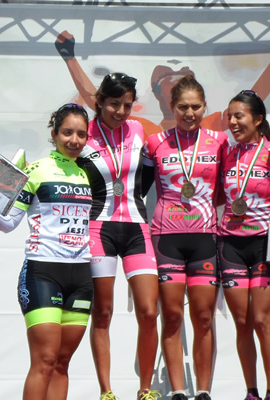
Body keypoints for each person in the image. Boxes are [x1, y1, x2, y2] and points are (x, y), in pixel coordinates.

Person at [0, 103, 93, 400]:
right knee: (45, 360)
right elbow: (9, 223)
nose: (74, 140)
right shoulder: (35, 171)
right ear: (54, 134)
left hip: (81, 277)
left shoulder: (88, 173)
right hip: (43, 273)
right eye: (67, 133)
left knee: (62, 364)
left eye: (81, 134)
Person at [74, 73, 161, 400]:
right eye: (114, 104)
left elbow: (147, 175)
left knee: (149, 311)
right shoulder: (85, 134)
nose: (121, 111)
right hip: (99, 228)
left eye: (127, 105)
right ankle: (106, 391)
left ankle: (145, 390)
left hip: (137, 227)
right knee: (103, 312)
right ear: (99, 102)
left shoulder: (137, 129)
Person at [142, 75, 228, 400]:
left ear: (204, 107)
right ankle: (178, 391)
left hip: (205, 238)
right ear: (171, 107)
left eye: (195, 107)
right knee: (173, 316)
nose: (189, 113)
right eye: (182, 107)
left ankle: (204, 390)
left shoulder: (220, 141)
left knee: (204, 318)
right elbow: (137, 191)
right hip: (167, 239)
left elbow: (234, 185)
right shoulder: (155, 143)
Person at [54, 29, 270, 136]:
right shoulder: (144, 129)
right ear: (158, 91)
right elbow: (97, 101)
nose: (180, 84)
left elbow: (249, 102)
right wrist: (69, 58)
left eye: (185, 79)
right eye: (172, 79)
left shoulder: (208, 125)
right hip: (156, 212)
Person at [218, 90, 270, 400]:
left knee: (261, 320)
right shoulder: (226, 151)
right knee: (242, 322)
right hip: (230, 244)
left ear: (258, 119)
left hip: (263, 244)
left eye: (239, 116)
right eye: (230, 117)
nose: (233, 122)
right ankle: (252, 392)